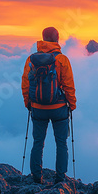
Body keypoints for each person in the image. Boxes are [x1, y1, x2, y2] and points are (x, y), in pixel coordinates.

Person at [21, 27, 76, 184]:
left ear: (43, 38)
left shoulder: (31, 60)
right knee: (61, 143)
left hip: (38, 108)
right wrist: (71, 105)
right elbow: (68, 86)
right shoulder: (62, 60)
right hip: (59, 109)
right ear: (57, 38)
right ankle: (60, 178)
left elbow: (25, 83)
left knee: (38, 142)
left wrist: (29, 104)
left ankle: (37, 177)